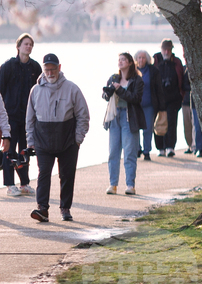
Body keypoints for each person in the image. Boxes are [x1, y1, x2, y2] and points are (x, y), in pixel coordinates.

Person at [26, 54, 89, 223]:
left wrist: (78, 139)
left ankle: (65, 208)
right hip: (43, 140)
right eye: (47, 69)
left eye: (53, 69)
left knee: (67, 175)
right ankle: (42, 209)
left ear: (59, 68)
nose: (50, 72)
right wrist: (30, 142)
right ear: (43, 69)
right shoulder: (35, 90)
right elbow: (30, 119)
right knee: (43, 174)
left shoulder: (72, 88)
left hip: (68, 140)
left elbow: (83, 115)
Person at [0, 34, 40, 196]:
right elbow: (0, 91)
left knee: (25, 150)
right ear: (18, 46)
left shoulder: (35, 68)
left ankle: (24, 183)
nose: (28, 47)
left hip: (28, 117)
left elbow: (39, 92)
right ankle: (10, 184)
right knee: (9, 152)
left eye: (30, 44)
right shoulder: (8, 66)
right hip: (10, 116)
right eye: (25, 44)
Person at [103, 53, 145, 196]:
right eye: (119, 59)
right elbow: (106, 96)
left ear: (129, 63)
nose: (120, 62)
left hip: (129, 117)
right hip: (114, 116)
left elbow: (136, 98)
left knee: (129, 153)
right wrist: (106, 93)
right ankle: (113, 184)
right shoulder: (114, 77)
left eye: (123, 60)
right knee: (113, 152)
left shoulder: (137, 80)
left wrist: (120, 90)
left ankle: (130, 185)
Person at [152, 39, 184, 157]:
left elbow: (180, 78)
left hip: (173, 98)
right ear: (161, 50)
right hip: (158, 98)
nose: (166, 51)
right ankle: (160, 148)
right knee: (158, 122)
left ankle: (170, 147)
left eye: (168, 49)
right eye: (164, 49)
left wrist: (180, 95)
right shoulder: (155, 60)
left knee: (171, 122)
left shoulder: (176, 62)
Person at [134, 50, 160, 161]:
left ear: (147, 59)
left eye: (143, 57)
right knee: (135, 128)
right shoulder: (133, 72)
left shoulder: (153, 70)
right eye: (139, 57)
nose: (141, 60)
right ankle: (137, 148)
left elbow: (158, 88)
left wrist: (160, 105)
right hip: (136, 105)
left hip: (149, 105)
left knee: (148, 129)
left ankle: (147, 151)